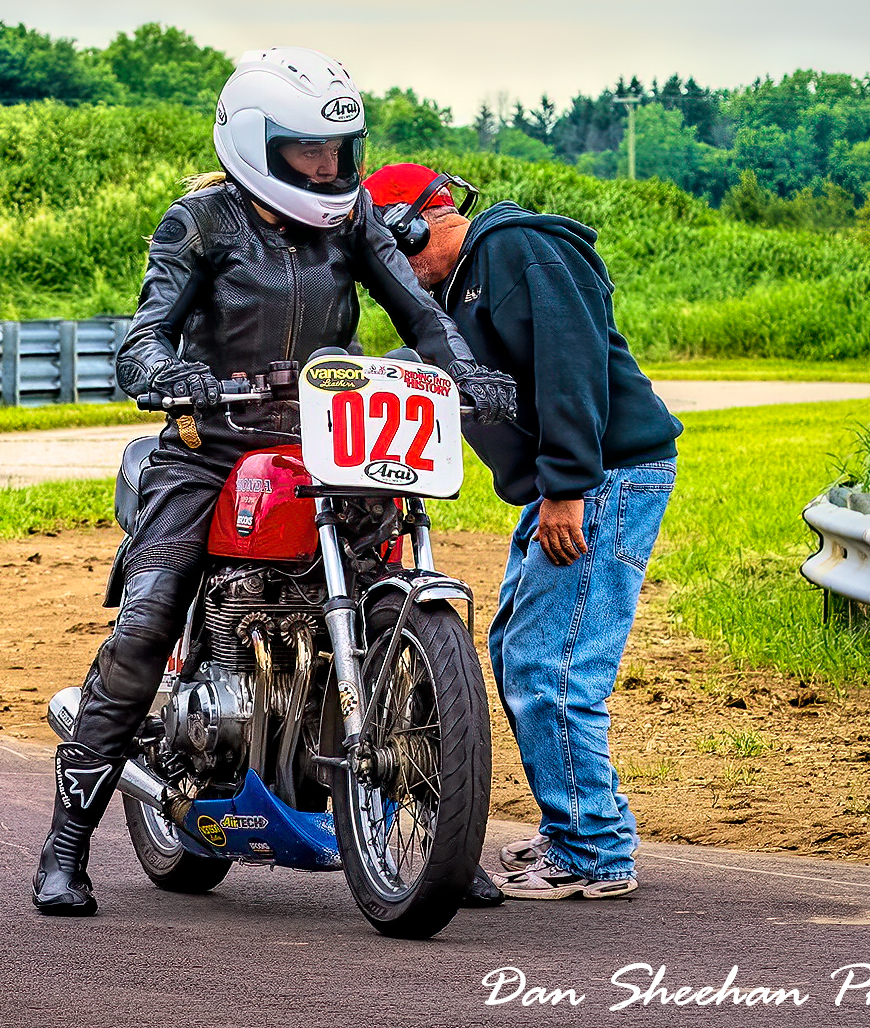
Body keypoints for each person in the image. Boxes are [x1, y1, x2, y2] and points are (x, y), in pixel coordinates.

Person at [31, 48, 520, 916]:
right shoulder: (200, 220)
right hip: (209, 447)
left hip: (325, 442)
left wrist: (466, 371)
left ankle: (445, 838)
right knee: (146, 626)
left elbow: (420, 312)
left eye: (340, 150)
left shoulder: (357, 217)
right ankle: (65, 849)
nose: (330, 168)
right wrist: (162, 370)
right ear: (256, 144)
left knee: (392, 593)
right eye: (308, 152)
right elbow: (146, 332)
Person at [364, 161, 683, 900]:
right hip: (564, 483)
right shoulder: (460, 287)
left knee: (552, 667)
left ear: (420, 223)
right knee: (517, 650)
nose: (394, 278)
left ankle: (595, 853)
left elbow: (571, 368)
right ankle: (577, 825)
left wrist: (567, 489)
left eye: (393, 253)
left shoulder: (520, 251)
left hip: (600, 478)